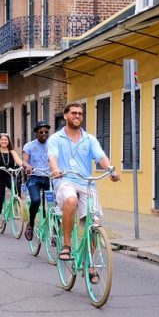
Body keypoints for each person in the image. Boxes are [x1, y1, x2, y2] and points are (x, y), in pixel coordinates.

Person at [48, 102, 120, 278]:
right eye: (73, 113)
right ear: (65, 116)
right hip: (65, 180)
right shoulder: (56, 139)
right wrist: (55, 169)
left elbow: (100, 156)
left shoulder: (89, 139)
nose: (77, 116)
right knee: (70, 200)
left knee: (94, 224)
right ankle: (66, 245)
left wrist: (110, 169)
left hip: (87, 183)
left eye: (80, 113)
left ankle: (89, 263)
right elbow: (52, 157)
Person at [22, 120, 51, 241]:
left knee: (54, 205)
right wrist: (27, 166)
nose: (44, 134)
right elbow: (24, 161)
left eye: (46, 132)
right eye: (41, 132)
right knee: (36, 200)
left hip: (50, 178)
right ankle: (31, 224)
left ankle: (55, 229)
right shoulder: (29, 146)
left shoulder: (52, 145)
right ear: (36, 133)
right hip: (34, 177)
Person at [0, 133, 23, 230]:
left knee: (16, 190)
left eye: (6, 140)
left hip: (8, 175)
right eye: (2, 140)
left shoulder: (12, 152)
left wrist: (25, 167)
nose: (4, 141)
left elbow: (18, 161)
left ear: (8, 141)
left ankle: (15, 207)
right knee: (0, 198)